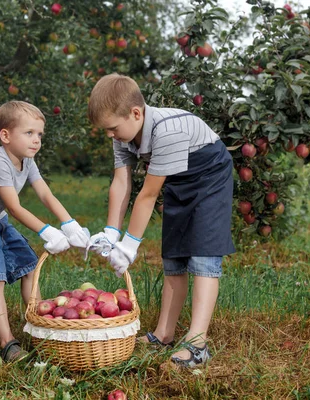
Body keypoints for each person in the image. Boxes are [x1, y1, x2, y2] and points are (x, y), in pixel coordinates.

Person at [87, 73, 235, 368]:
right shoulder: (123, 133)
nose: (109, 135)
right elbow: (121, 183)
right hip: (179, 179)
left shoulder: (168, 131)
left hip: (210, 176)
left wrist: (130, 246)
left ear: (136, 113)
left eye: (112, 128)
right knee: (174, 256)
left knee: (203, 256)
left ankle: (197, 344)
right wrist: (111, 232)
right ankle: (164, 333)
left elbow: (148, 194)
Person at [0, 100, 90, 362]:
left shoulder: (27, 160)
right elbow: (15, 206)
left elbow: (45, 193)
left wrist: (69, 223)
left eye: (39, 134)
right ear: (5, 136)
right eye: (29, 133)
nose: (36, 140)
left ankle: (39, 325)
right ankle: (7, 342)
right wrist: (48, 231)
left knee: (29, 266)